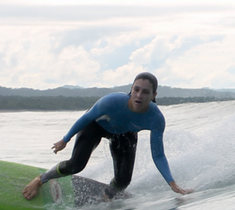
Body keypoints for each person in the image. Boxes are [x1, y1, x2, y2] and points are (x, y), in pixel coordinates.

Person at [22, 72, 192, 200]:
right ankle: (41, 179)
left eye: (145, 92)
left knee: (123, 181)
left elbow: (158, 155)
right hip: (95, 126)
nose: (139, 95)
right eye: (136, 89)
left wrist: (172, 182)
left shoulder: (156, 119)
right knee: (76, 165)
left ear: (154, 95)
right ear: (131, 90)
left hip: (125, 134)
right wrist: (65, 139)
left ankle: (107, 196)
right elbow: (86, 118)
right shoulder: (112, 101)